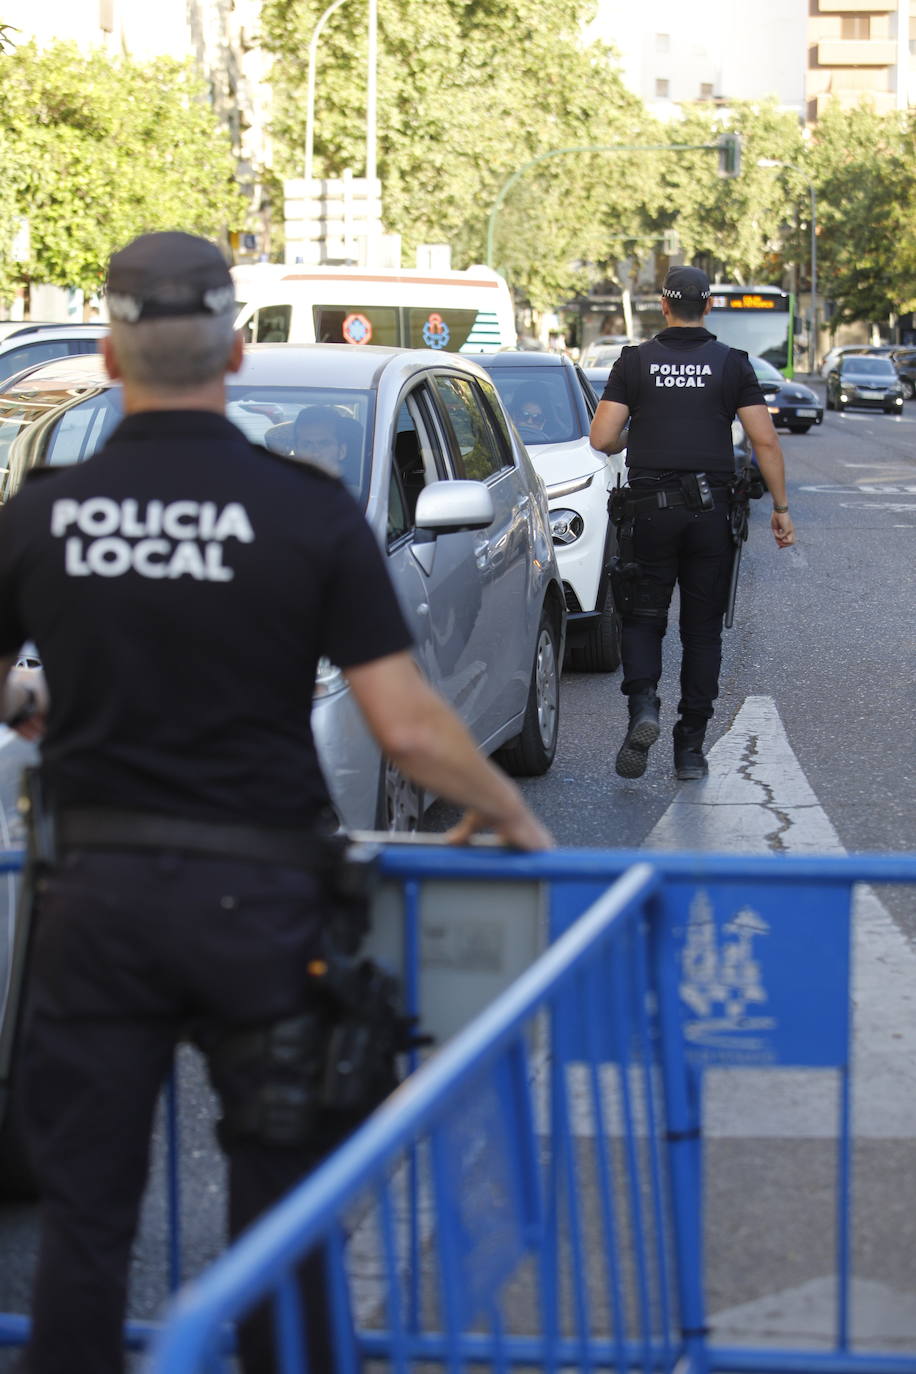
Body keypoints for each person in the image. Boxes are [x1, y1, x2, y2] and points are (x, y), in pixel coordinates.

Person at [0, 230, 552, 1374]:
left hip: (93, 906)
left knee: (86, 1220)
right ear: (237, 354)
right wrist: (506, 807)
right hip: (263, 903)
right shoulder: (303, 512)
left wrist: (24, 698)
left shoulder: (44, 512)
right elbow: (404, 725)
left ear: (108, 355)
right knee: (283, 1213)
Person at [590, 265, 795, 782]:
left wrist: (640, 432)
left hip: (649, 513)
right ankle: (690, 749)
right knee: (702, 633)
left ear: (663, 305)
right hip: (710, 515)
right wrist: (781, 508)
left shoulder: (635, 362)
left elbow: (602, 437)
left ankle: (643, 709)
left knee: (642, 618)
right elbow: (765, 440)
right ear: (708, 307)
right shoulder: (732, 364)